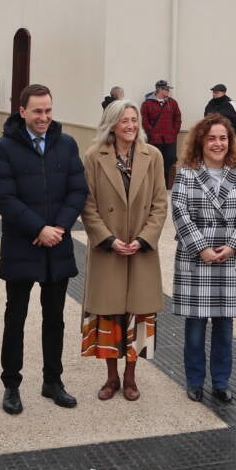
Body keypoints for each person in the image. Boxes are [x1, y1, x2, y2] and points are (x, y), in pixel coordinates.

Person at [0, 83, 89, 415]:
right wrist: (38, 228)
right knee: (15, 317)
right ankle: (11, 385)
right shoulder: (5, 147)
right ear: (23, 112)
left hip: (56, 247)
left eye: (48, 110)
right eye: (37, 111)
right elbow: (4, 197)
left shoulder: (66, 144)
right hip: (23, 244)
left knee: (55, 319)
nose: (44, 117)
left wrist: (58, 228)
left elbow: (78, 190)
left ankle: (53, 381)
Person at [80, 99, 168, 401]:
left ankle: (131, 378)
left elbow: (159, 203)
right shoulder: (94, 157)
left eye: (134, 120)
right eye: (124, 120)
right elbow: (88, 205)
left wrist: (144, 239)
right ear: (112, 124)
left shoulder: (152, 155)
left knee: (138, 314)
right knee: (108, 313)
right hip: (109, 249)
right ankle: (111, 378)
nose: (131, 125)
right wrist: (108, 239)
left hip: (141, 248)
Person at [171, 114, 236, 403]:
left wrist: (233, 245)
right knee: (195, 328)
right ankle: (195, 381)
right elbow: (180, 212)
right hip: (197, 259)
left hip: (231, 259)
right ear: (201, 141)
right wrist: (201, 248)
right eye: (212, 138)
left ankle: (221, 382)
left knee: (224, 326)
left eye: (223, 138)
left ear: (230, 141)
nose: (218, 143)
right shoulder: (186, 172)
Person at [141, 79, 182, 187]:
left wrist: (174, 132)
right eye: (166, 89)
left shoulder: (172, 103)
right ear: (160, 89)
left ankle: (166, 184)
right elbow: (144, 120)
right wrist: (151, 132)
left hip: (169, 139)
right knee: (155, 162)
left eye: (168, 89)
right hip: (154, 140)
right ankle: (155, 185)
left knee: (170, 159)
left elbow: (177, 118)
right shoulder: (147, 104)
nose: (168, 91)